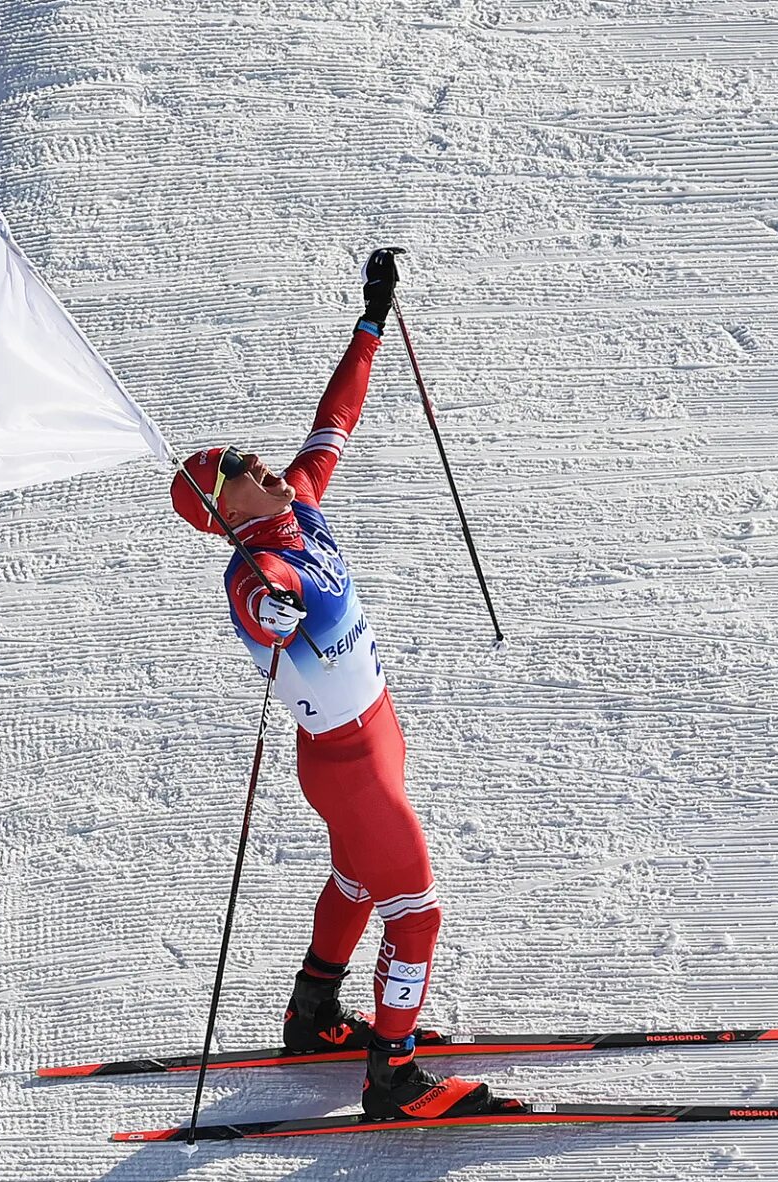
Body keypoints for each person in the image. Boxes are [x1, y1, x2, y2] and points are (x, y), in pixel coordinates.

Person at [168, 250, 509, 1121]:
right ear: (226, 507)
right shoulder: (258, 565)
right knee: (417, 914)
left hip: (370, 739)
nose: (260, 457)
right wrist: (268, 607)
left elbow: (334, 418)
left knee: (360, 884)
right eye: (239, 462)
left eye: (250, 451)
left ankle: (312, 1012)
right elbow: (257, 601)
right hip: (347, 759)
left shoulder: (301, 503)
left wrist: (370, 322)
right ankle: (391, 1077)